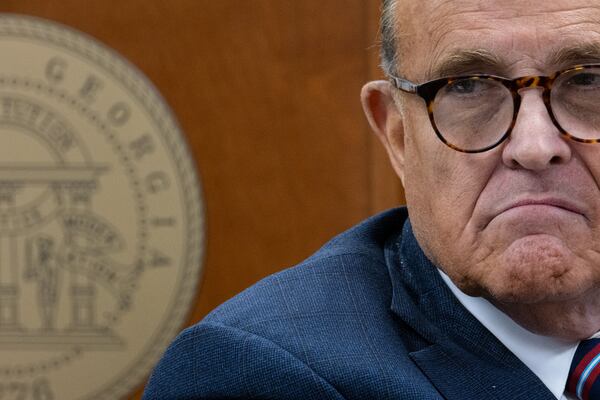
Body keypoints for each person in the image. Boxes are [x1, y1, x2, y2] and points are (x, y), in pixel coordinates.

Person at [143, 1, 600, 398]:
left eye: (589, 81)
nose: (535, 146)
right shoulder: (261, 375)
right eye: (467, 86)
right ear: (398, 137)